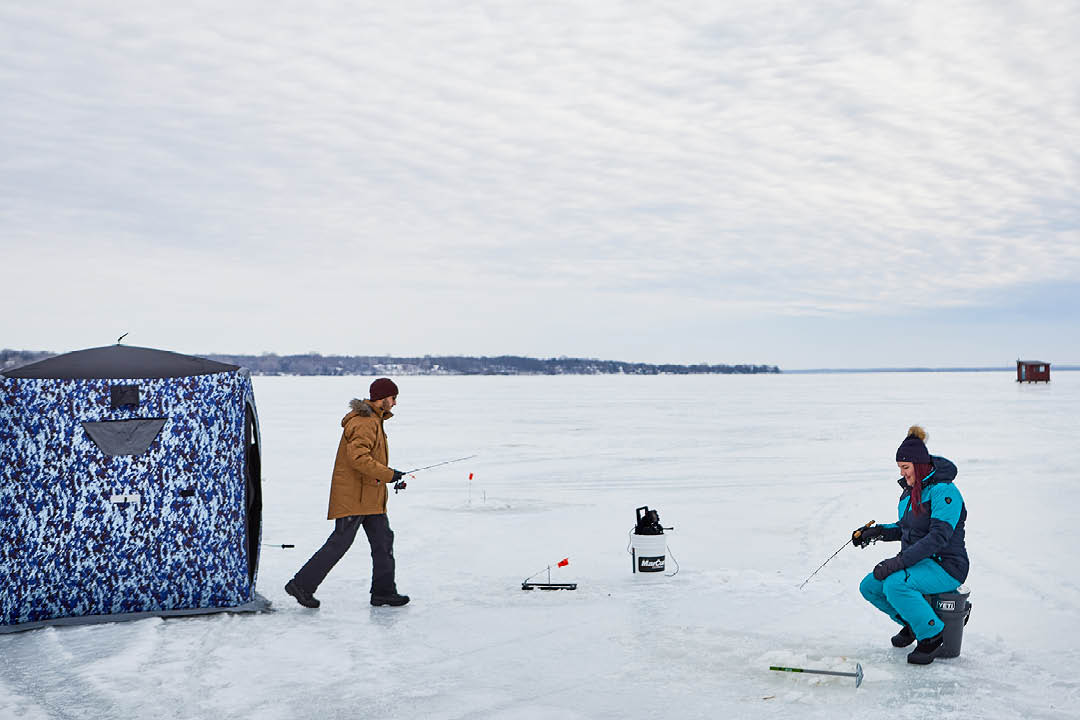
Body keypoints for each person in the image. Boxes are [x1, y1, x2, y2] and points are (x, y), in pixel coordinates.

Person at [285, 378, 410, 608]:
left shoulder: (375, 420)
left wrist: (387, 474)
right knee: (339, 543)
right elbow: (358, 458)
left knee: (383, 541)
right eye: (393, 398)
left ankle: (383, 592)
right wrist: (387, 474)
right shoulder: (365, 422)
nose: (395, 403)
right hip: (355, 496)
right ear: (382, 398)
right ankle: (301, 585)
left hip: (370, 496)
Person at [853, 425, 969, 665]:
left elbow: (938, 537)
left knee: (896, 583)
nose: (903, 473)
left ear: (919, 465)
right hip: (920, 561)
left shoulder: (944, 492)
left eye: (906, 468)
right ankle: (913, 624)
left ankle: (932, 636)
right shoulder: (910, 492)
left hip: (946, 566)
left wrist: (898, 562)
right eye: (900, 468)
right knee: (870, 586)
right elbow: (907, 528)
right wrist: (876, 532)